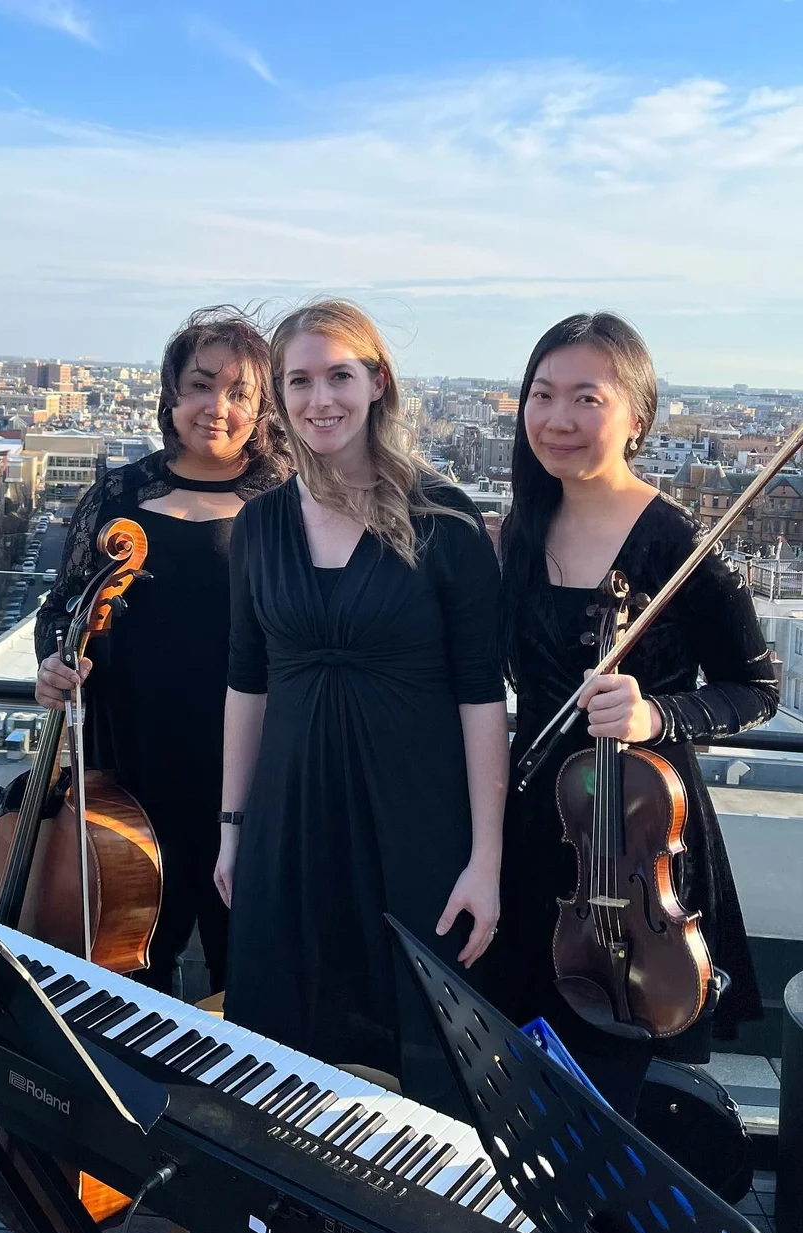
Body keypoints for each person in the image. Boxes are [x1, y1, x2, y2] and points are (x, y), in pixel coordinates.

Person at [216, 299, 508, 1111]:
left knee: (427, 1045)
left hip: (417, 821)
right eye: (299, 381)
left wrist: (486, 862)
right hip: (291, 816)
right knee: (281, 1039)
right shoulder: (260, 527)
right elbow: (248, 682)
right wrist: (233, 827)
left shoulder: (445, 521)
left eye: (339, 376)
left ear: (377, 382)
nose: (320, 401)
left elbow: (482, 698)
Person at [496, 312, 778, 1117]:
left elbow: (755, 690)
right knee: (531, 1062)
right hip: (540, 822)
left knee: (636, 1080)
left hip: (642, 830)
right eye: (541, 395)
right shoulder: (521, 528)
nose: (558, 419)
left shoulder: (679, 541)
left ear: (637, 417)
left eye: (587, 398)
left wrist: (655, 715)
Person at [34, 307, 290, 996]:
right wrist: (53, 665)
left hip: (249, 770)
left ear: (262, 408)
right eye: (201, 385)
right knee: (129, 965)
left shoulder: (288, 499)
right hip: (133, 765)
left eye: (240, 393)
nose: (217, 407)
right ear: (171, 392)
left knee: (253, 969)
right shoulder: (119, 491)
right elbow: (62, 608)